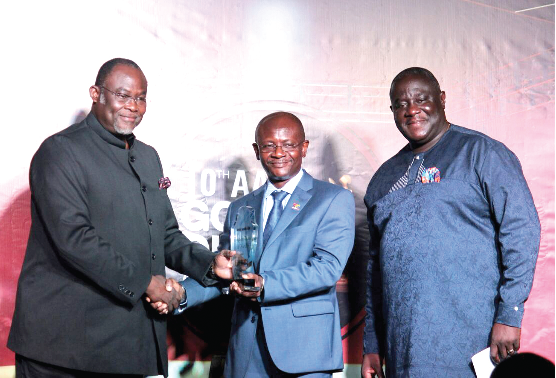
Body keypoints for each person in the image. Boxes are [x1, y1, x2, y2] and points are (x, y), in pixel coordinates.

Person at [8, 58, 233, 377]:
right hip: (64, 349)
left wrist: (210, 265)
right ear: (96, 93)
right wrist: (147, 284)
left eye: (140, 98)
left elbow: (166, 235)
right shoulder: (60, 152)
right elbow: (74, 239)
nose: (133, 106)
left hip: (127, 345)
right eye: (123, 95)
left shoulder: (148, 157)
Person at [361, 67, 541, 377]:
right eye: (401, 104)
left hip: (472, 341)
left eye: (422, 99)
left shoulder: (482, 153)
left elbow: (522, 232)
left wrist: (509, 315)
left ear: (442, 99)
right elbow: (375, 273)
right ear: (392, 111)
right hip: (401, 349)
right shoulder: (383, 178)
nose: (412, 110)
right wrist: (372, 345)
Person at [177, 112, 355, 377]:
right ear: (257, 150)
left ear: (304, 148)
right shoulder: (241, 207)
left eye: (289, 144)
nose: (279, 152)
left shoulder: (332, 199)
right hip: (248, 352)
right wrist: (180, 295)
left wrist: (265, 284)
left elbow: (327, 268)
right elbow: (228, 272)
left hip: (304, 352)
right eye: (269, 145)